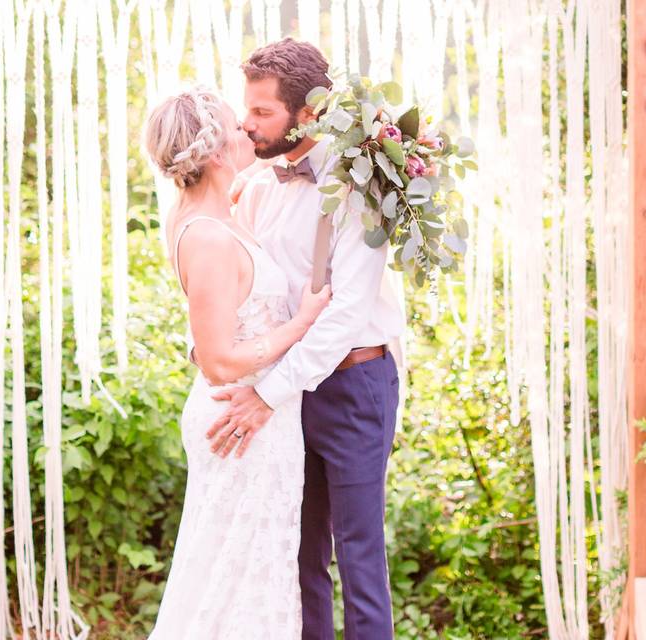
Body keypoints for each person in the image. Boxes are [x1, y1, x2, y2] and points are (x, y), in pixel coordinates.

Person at [207, 39, 406, 640]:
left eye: (263, 111)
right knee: (297, 557)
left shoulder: (360, 190)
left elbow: (344, 314)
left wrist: (267, 394)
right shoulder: (258, 187)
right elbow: (243, 293)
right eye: (249, 108)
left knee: (359, 556)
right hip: (285, 390)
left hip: (353, 386)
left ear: (309, 113)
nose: (247, 123)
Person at [142, 86, 332, 639]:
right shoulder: (207, 236)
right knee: (234, 582)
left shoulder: (213, 211)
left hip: (256, 419)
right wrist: (300, 324)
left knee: (246, 576)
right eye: (235, 123)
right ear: (215, 149)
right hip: (240, 420)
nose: (246, 128)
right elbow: (220, 361)